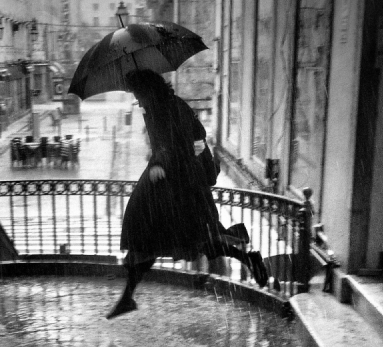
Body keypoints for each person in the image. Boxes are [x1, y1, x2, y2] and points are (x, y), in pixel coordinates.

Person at [106, 69, 268, 320]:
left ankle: (248, 258)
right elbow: (194, 133)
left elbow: (171, 142)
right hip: (176, 183)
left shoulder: (166, 108)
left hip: (176, 184)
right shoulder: (168, 105)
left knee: (177, 239)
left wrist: (160, 161)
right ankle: (127, 297)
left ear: (148, 90)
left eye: (137, 92)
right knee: (161, 240)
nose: (136, 98)